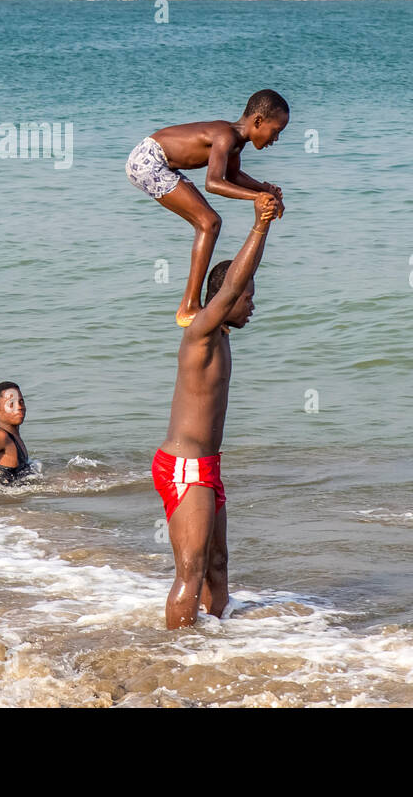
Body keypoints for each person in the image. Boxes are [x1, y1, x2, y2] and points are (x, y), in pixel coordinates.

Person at [154, 192, 279, 629]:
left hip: (207, 466)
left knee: (218, 565)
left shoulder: (220, 334)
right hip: (184, 467)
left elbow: (234, 288)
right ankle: (175, 658)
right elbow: (230, 286)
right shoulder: (203, 331)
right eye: (248, 298)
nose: (253, 305)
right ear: (226, 300)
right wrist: (261, 225)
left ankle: (217, 647)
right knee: (190, 571)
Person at [126, 89, 288, 327]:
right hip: (148, 161)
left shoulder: (235, 142)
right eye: (276, 131)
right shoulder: (226, 136)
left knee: (210, 222)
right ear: (258, 121)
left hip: (159, 163)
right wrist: (258, 197)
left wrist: (265, 189)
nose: (276, 139)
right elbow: (213, 183)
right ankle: (189, 306)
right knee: (209, 222)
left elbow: (232, 176)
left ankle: (191, 304)